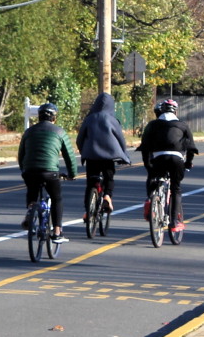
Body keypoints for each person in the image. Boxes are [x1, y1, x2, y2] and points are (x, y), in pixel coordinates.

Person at [18, 102, 77, 243]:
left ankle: (30, 215)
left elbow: (21, 155)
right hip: (50, 172)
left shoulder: (29, 132)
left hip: (30, 171)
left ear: (39, 117)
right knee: (56, 198)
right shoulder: (60, 132)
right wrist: (72, 174)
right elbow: (69, 156)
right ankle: (57, 232)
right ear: (54, 118)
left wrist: (24, 170)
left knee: (32, 191)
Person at [138, 98, 198, 234]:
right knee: (176, 188)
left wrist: (148, 165)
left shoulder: (152, 125)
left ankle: (150, 201)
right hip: (177, 160)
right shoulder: (182, 125)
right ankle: (175, 221)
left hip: (159, 158)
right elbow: (191, 147)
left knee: (153, 177)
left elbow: (145, 146)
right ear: (175, 111)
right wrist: (188, 162)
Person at [76, 92, 131, 218]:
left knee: (90, 183)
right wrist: (125, 155)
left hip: (91, 156)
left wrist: (83, 151)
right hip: (109, 156)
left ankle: (88, 211)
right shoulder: (113, 120)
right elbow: (120, 139)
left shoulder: (89, 118)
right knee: (109, 178)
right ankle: (107, 196)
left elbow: (80, 138)